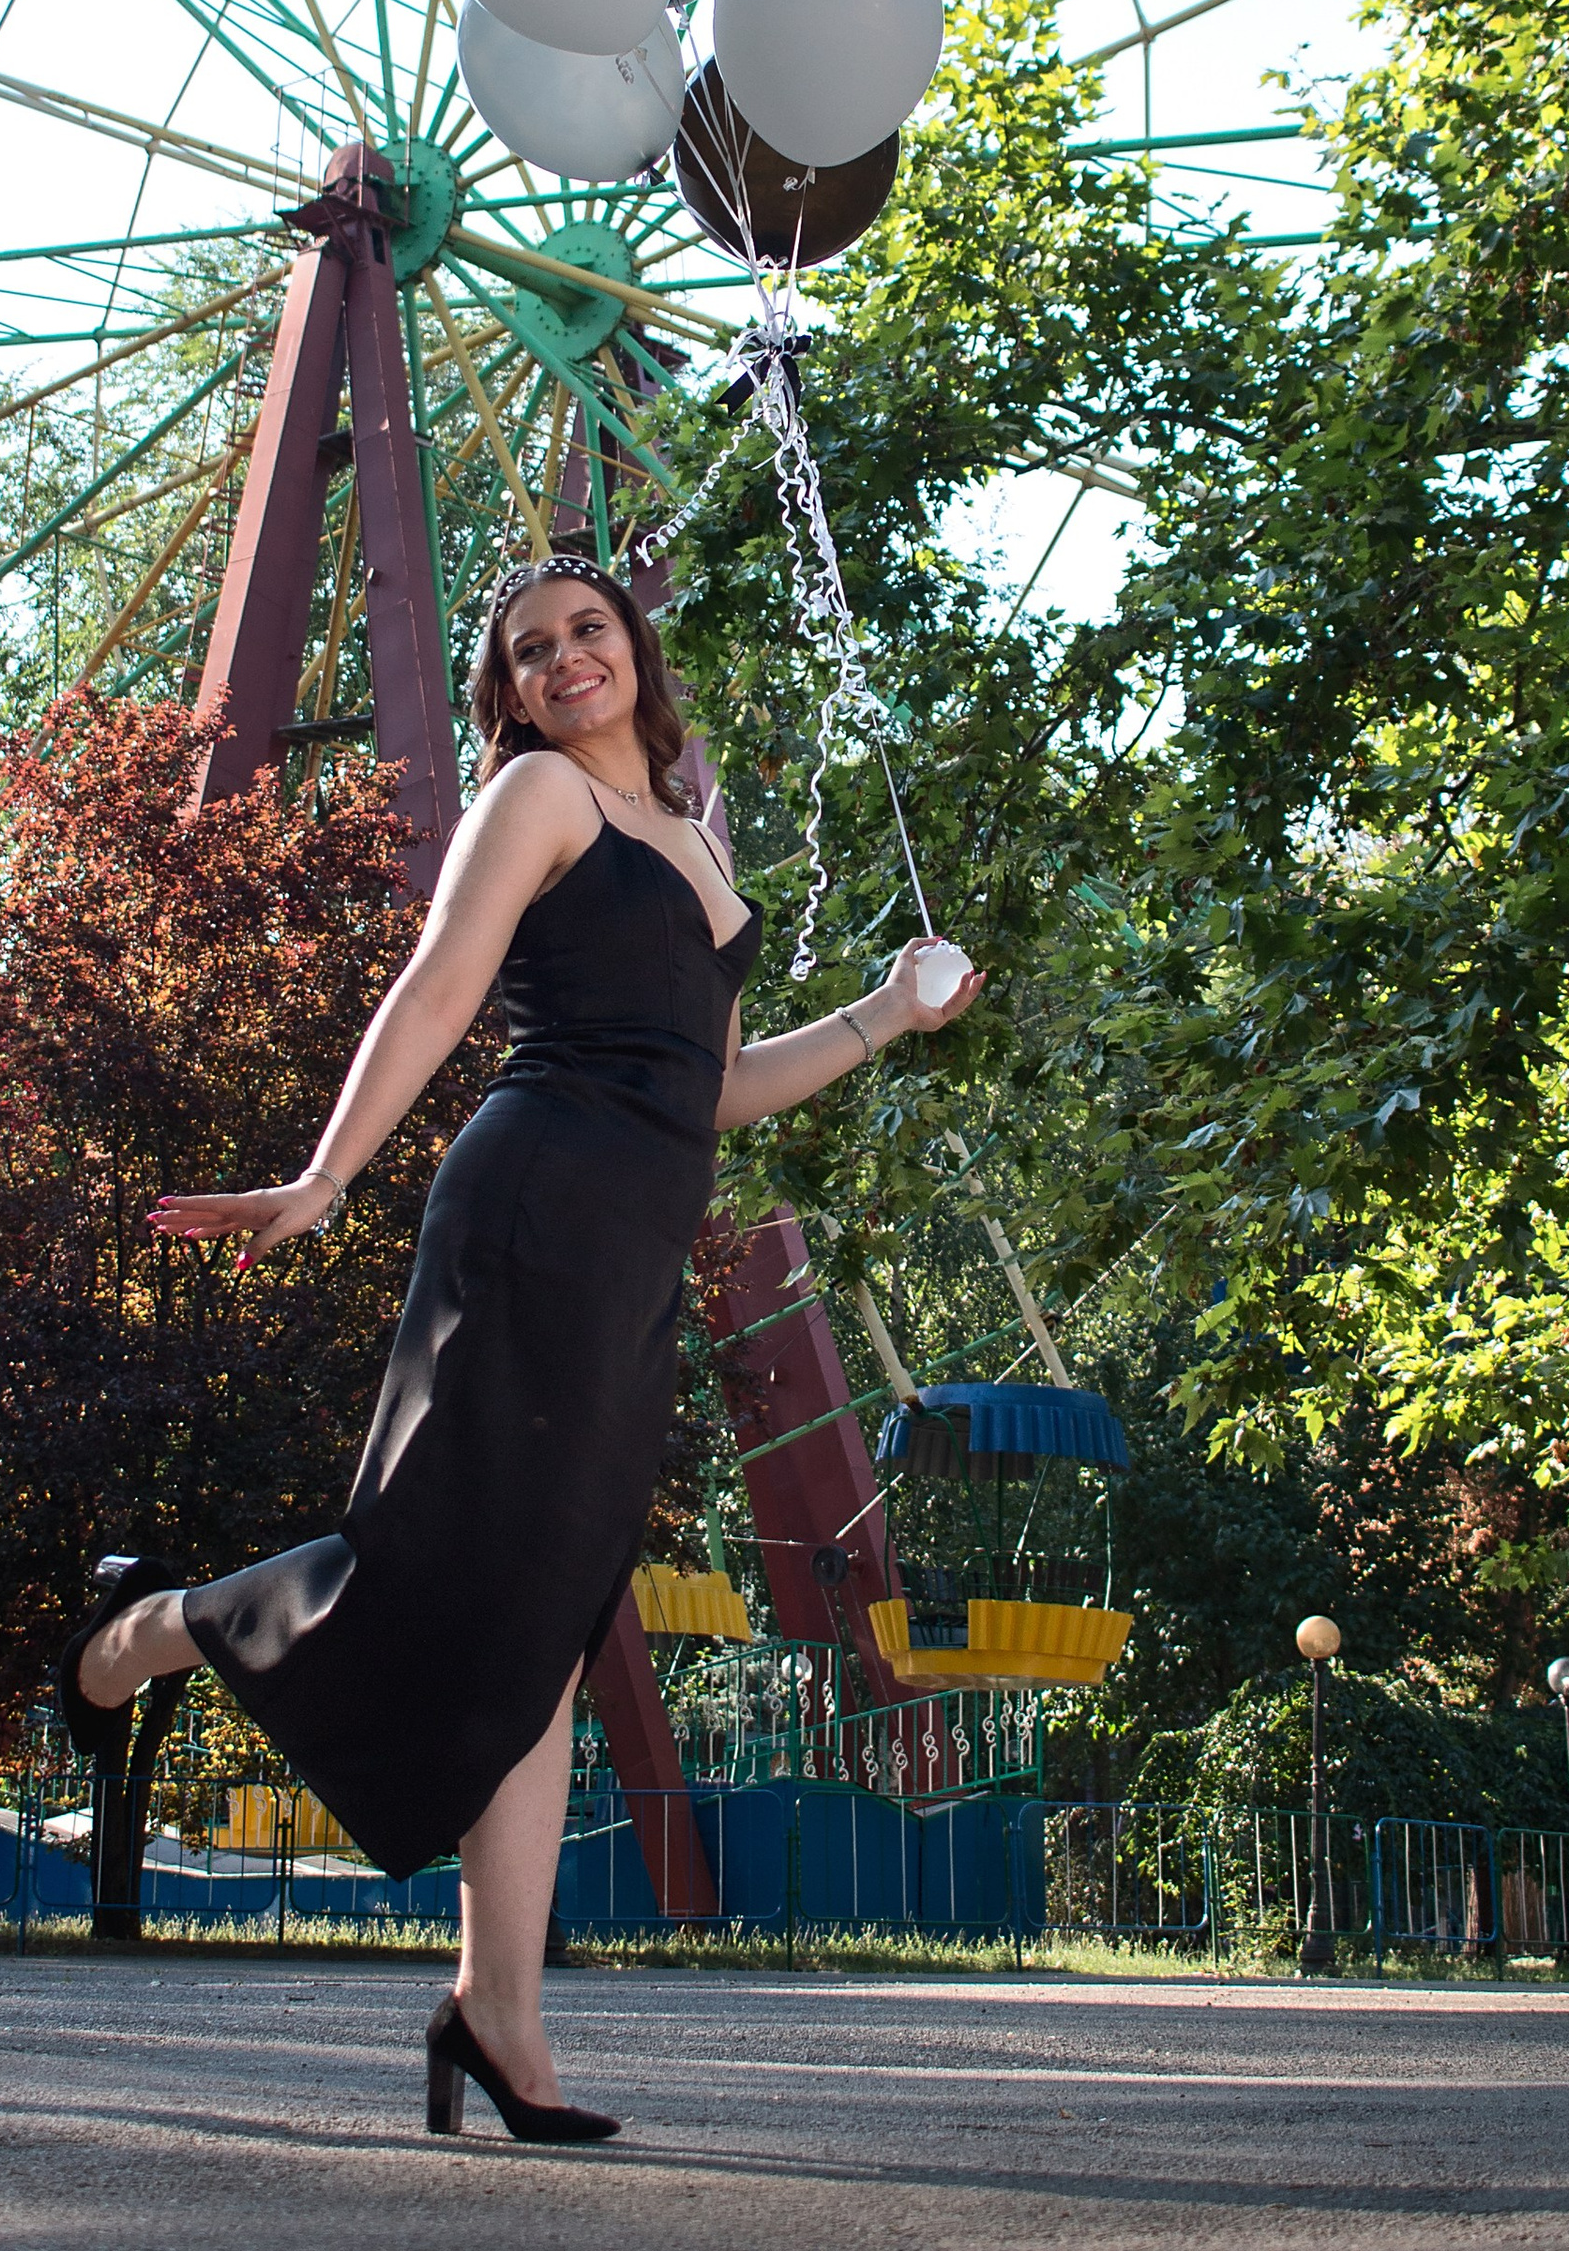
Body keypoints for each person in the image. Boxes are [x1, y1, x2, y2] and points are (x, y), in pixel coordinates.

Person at [56, 553, 982, 2141]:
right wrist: (325, 1178)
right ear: (510, 689)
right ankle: (150, 1634)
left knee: (547, 1620)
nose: (567, 661)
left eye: (590, 632)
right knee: (426, 1564)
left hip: (631, 1247)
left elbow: (714, 1086)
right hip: (532, 1204)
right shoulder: (538, 802)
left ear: (638, 650)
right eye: (533, 649)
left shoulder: (693, 838)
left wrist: (889, 1013)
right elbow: (437, 986)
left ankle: (500, 2018)